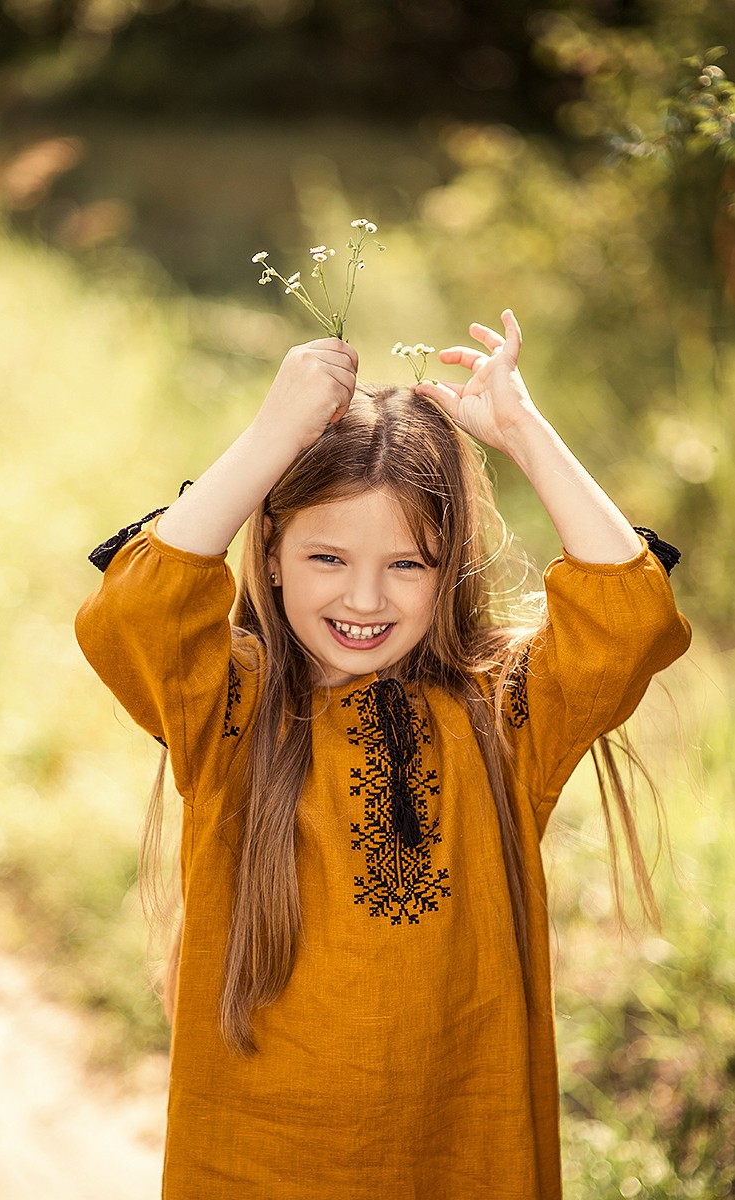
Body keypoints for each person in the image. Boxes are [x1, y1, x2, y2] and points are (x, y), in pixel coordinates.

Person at [75, 310, 691, 1200]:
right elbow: (135, 613)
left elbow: (632, 622)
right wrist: (269, 437)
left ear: (452, 570)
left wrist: (522, 430)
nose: (364, 597)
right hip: (254, 1159)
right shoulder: (230, 706)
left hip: (467, 1156)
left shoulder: (503, 711)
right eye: (327, 555)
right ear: (274, 556)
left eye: (409, 563)